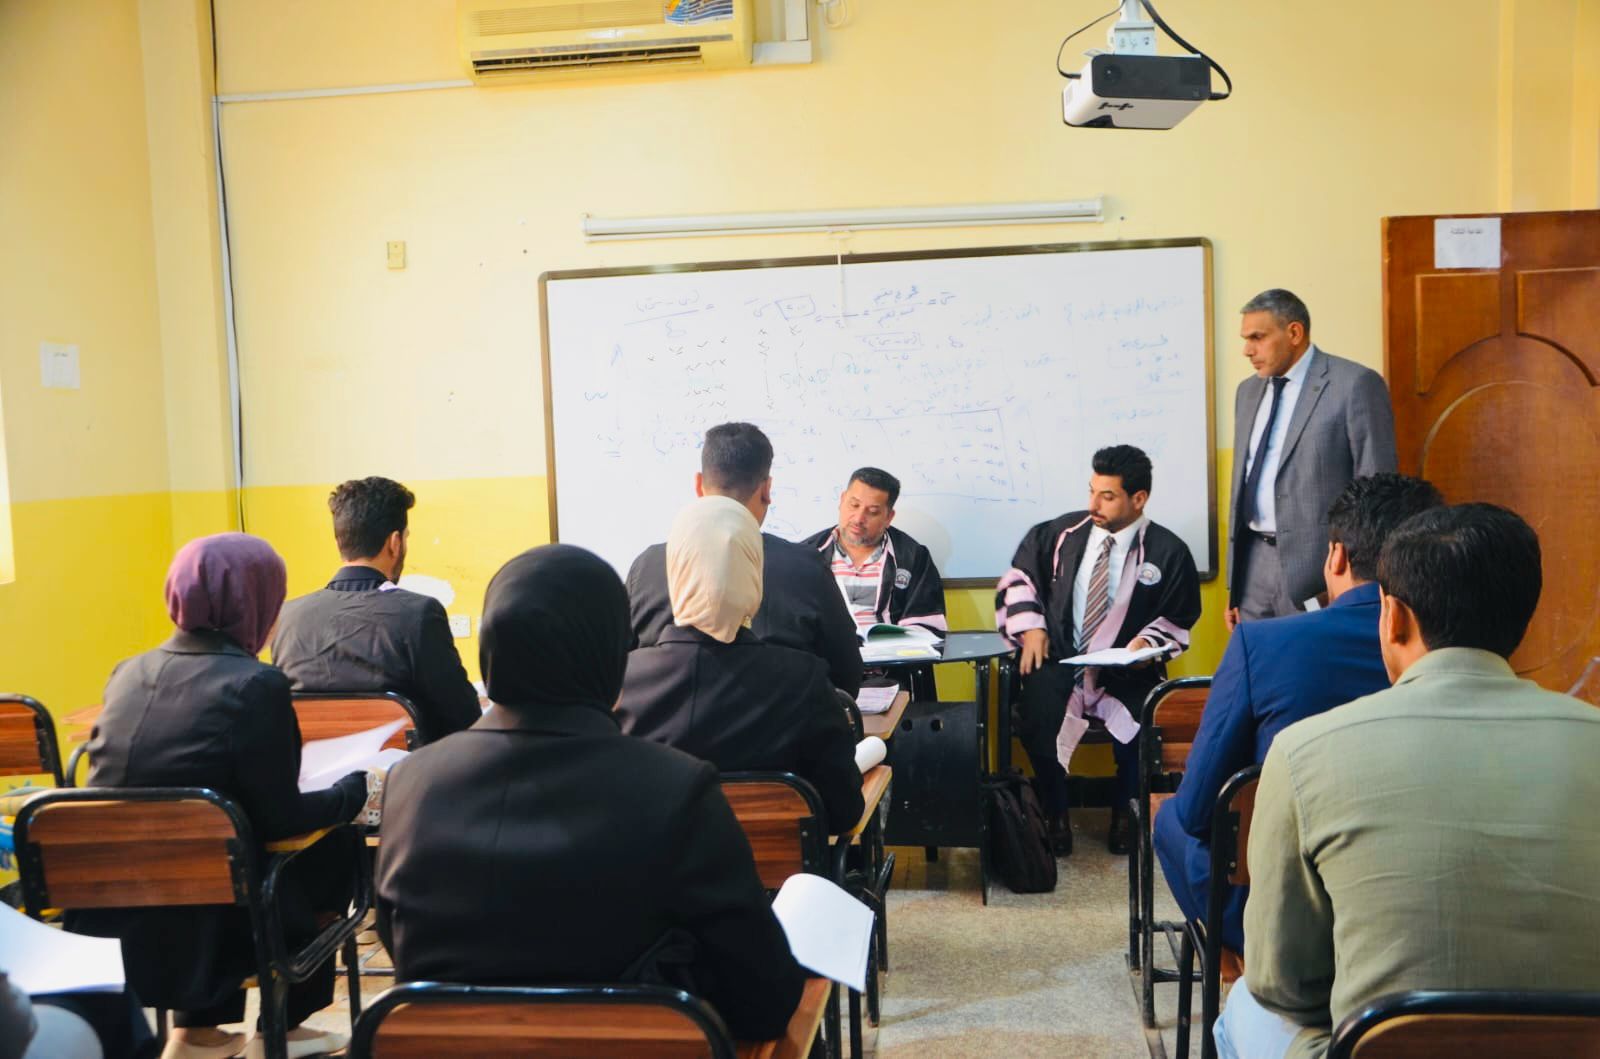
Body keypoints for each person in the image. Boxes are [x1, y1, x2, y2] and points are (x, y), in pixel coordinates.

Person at [376, 544, 804, 1041]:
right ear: (612, 657)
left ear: (488, 652)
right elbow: (763, 997)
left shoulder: (409, 784)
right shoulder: (676, 789)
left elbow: (400, 944)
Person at [1219, 504, 1600, 1059]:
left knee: (1245, 1006)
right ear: (1524, 617)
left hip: (1379, 1047)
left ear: (1392, 616)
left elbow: (1282, 983)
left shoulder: (1304, 751)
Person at [78, 534, 369, 1059]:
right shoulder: (257, 684)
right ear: (256, 599)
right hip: (226, 926)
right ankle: (286, 1024)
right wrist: (352, 792)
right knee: (334, 843)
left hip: (110, 914)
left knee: (206, 839)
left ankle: (198, 1032)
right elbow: (281, 819)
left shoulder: (127, 673)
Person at [1153, 473, 1443, 952]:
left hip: (1290, 920)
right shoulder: (1450, 650)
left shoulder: (1262, 642)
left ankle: (1240, 960)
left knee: (1171, 820)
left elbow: (1198, 808)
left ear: (1336, 556)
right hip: (1422, 904)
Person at [997, 445, 1200, 856]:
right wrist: (1031, 628)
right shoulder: (1060, 534)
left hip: (1124, 669)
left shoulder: (1168, 550)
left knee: (1143, 720)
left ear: (1138, 498)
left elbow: (1178, 616)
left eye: (1107, 496)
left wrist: (1145, 644)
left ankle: (1126, 811)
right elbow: (1019, 579)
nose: (1093, 505)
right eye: (1092, 491)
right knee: (1037, 712)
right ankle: (1054, 812)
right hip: (1061, 661)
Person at [619, 497, 866, 835]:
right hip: (770, 869)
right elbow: (842, 812)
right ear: (752, 574)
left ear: (674, 572)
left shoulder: (621, 686)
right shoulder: (803, 682)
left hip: (650, 868)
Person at [629, 422, 862, 698]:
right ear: (766, 489)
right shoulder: (806, 568)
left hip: (665, 724)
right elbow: (847, 678)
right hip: (780, 722)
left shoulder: (646, 567)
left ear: (699, 485)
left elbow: (618, 664)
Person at [1227, 289, 1397, 628]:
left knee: (1315, 660)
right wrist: (1235, 590)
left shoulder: (1354, 384)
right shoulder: (1247, 391)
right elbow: (1243, 480)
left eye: (1258, 338)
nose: (1247, 350)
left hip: (1321, 570)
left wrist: (1356, 579)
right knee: (1257, 658)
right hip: (1252, 567)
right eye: (1246, 339)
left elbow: (1378, 488)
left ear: (1294, 333)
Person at [271, 476, 480, 745]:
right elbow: (464, 718)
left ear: (339, 543)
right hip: (402, 770)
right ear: (395, 542)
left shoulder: (287, 617)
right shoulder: (418, 614)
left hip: (309, 771)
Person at [802, 467, 947, 634]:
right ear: (842, 500)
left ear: (888, 518)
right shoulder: (807, 554)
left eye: (872, 512)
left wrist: (893, 642)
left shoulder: (913, 557)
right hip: (826, 650)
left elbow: (928, 626)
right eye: (854, 505)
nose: (858, 519)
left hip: (889, 650)